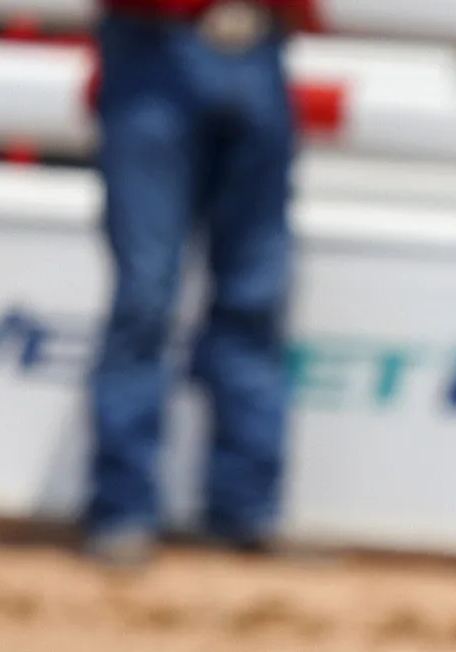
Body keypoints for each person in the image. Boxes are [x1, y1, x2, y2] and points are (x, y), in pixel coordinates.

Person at [82, 0, 307, 569]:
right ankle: (124, 509)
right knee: (146, 295)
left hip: (255, 41)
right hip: (154, 39)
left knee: (253, 292)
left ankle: (245, 508)